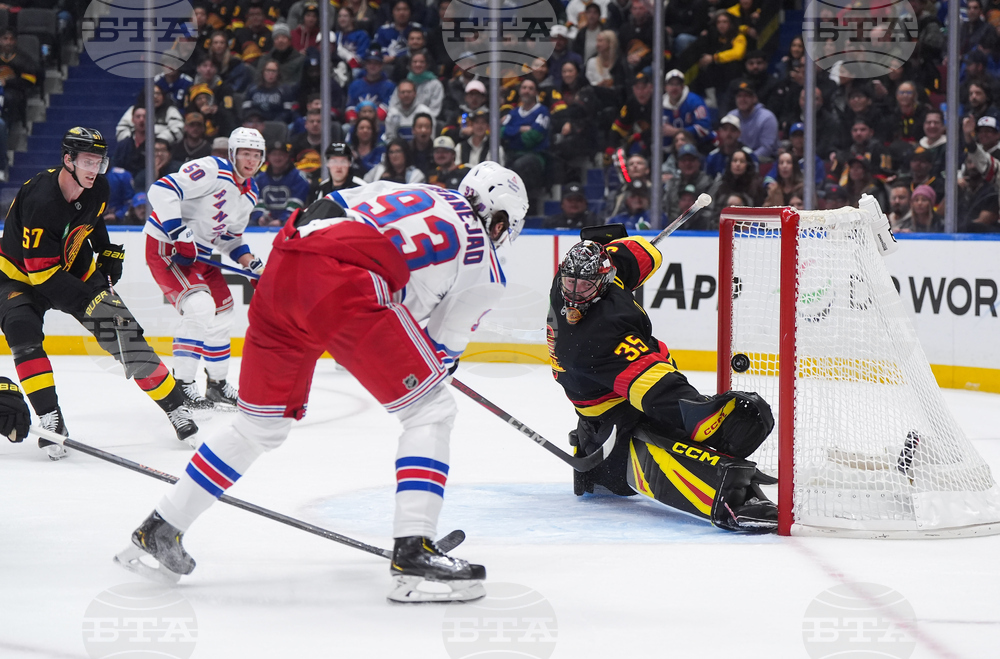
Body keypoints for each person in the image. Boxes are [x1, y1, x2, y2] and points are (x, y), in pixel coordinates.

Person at [116, 161, 531, 602]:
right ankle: (415, 550)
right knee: (431, 410)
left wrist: (323, 287)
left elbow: (328, 206)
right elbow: (438, 355)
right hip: (348, 282)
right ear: (501, 219)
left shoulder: (418, 189)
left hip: (286, 261)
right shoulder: (486, 266)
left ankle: (161, 529)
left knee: (259, 426)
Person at [547, 236, 776, 532]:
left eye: (584, 285)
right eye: (571, 284)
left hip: (596, 398)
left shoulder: (567, 278)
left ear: (605, 278)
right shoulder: (594, 335)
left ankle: (595, 453)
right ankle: (730, 498)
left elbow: (630, 253)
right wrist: (697, 413)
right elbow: (654, 389)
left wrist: (644, 249)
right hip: (616, 417)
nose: (575, 293)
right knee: (676, 425)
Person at [0, 128, 199, 459]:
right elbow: (41, 273)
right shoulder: (40, 199)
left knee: (126, 337)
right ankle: (51, 418)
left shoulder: (98, 187)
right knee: (23, 333)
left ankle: (175, 407)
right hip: (19, 276)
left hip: (75, 270)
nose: (95, 169)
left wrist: (105, 249)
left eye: (99, 161)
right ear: (68, 160)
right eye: (88, 161)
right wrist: (88, 301)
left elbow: (90, 219)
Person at [145, 127, 267, 411]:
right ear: (233, 154)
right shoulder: (212, 169)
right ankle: (183, 386)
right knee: (199, 307)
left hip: (201, 254)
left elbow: (229, 238)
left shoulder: (251, 193)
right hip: (168, 249)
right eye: (245, 153)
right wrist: (179, 232)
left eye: (256, 155)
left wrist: (250, 263)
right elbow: (160, 189)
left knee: (223, 315)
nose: (250, 160)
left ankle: (217, 385)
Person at [255, 141, 311, 226]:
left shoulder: (298, 178)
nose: (277, 158)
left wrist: (281, 220)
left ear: (287, 156)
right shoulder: (260, 178)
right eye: (274, 154)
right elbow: (258, 202)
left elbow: (296, 204)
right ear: (268, 156)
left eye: (281, 154)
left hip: (291, 223)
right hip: (266, 223)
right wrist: (261, 218)